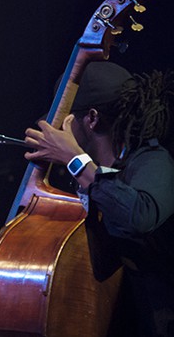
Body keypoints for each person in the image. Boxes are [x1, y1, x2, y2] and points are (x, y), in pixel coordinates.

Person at [24, 61, 174, 336]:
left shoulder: (154, 161)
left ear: (91, 118)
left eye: (65, 121)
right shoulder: (78, 178)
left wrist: (74, 158)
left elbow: (139, 216)